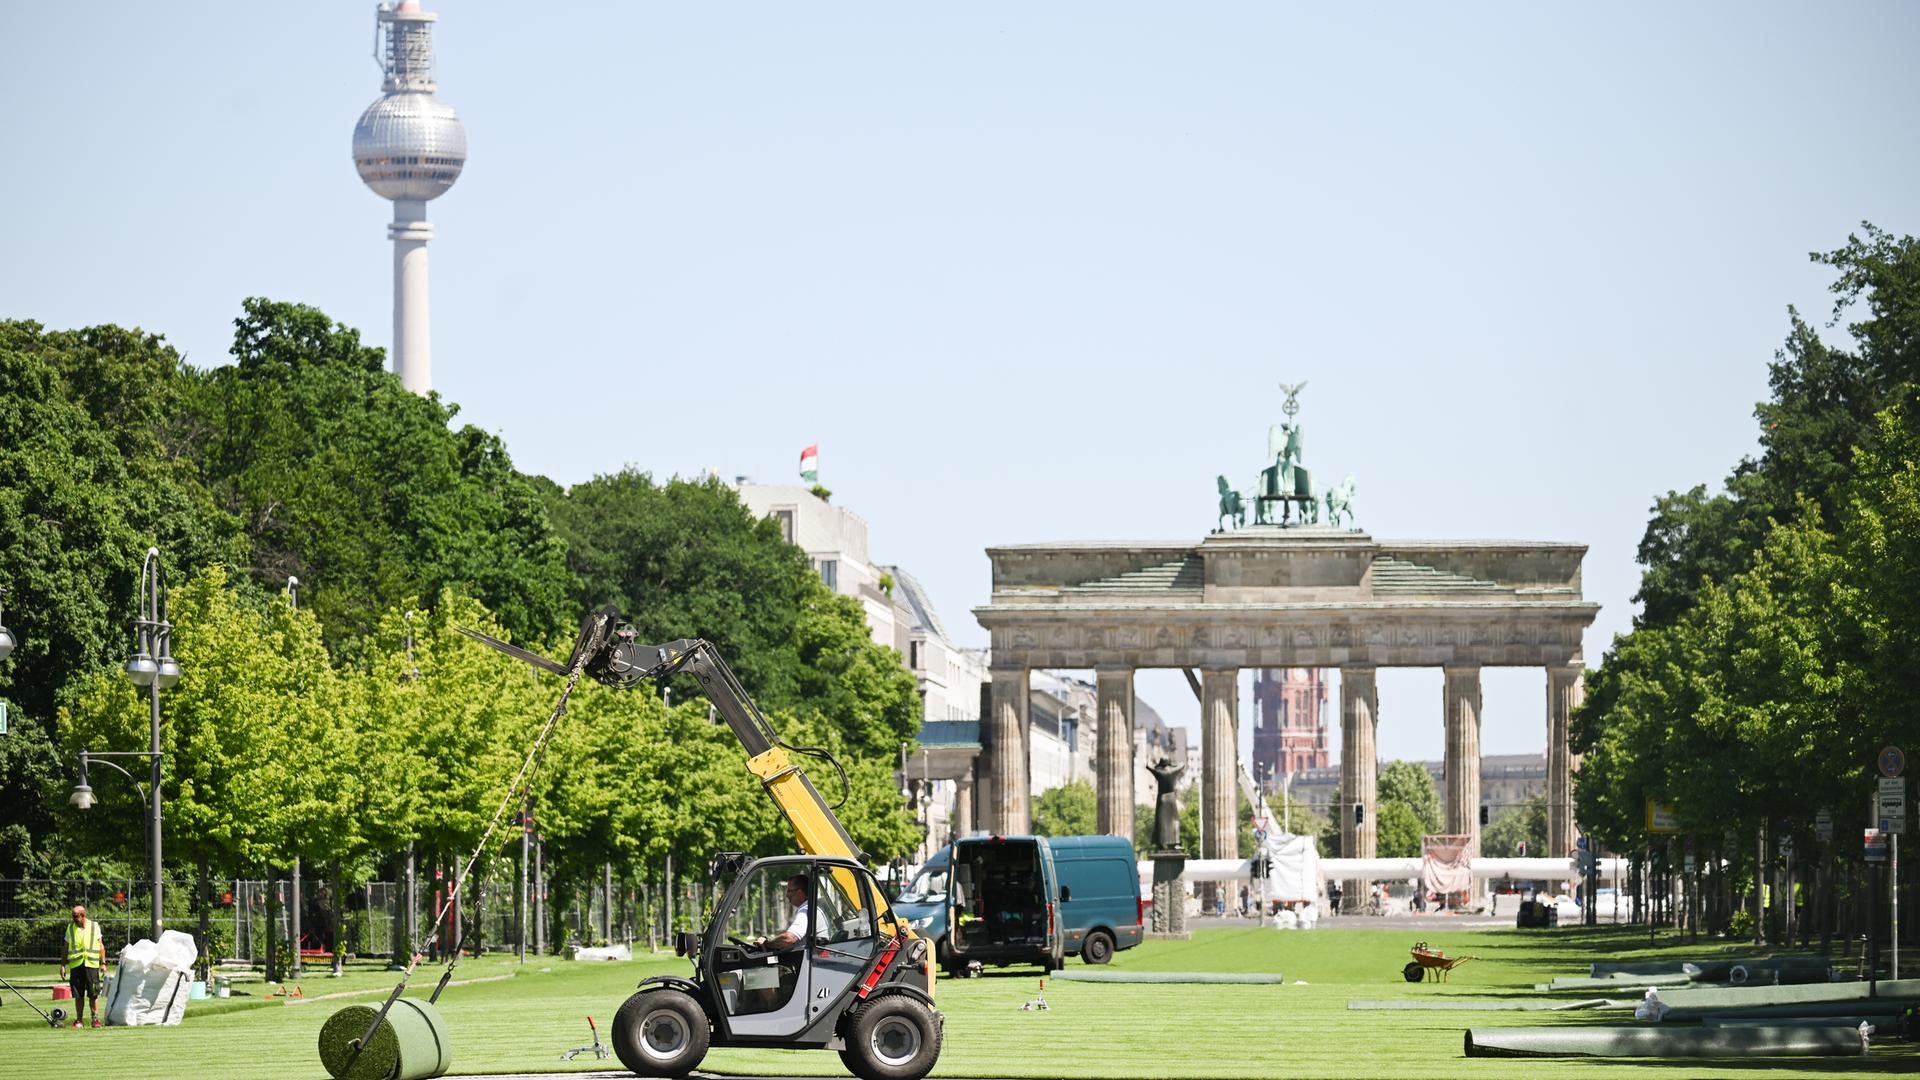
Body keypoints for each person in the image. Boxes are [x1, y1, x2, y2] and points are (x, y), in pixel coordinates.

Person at [61, 904, 107, 1028]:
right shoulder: (70, 928)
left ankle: (95, 1020)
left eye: (76, 916)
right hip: (76, 965)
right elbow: (65, 947)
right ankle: (79, 1020)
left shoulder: (94, 926)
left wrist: (103, 963)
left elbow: (100, 945)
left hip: (91, 965)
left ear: (83, 915)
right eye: (73, 916)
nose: (74, 919)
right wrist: (63, 965)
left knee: (93, 993)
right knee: (78, 995)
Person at [757, 875, 812, 951]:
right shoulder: (810, 907)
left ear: (799, 892)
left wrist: (766, 944)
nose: (787, 895)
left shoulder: (805, 910)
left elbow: (789, 938)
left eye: (789, 891)